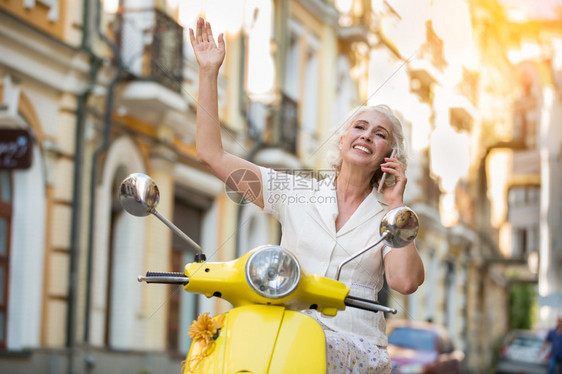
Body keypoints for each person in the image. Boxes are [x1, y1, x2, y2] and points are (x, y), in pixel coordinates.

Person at [189, 18, 424, 373]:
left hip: (353, 347)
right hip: (282, 338)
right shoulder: (296, 193)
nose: (366, 136)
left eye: (379, 134)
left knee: (310, 337)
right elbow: (211, 153)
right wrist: (208, 72)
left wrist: (397, 206)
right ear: (342, 140)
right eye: (359, 127)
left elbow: (405, 282)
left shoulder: (389, 216)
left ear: (390, 156)